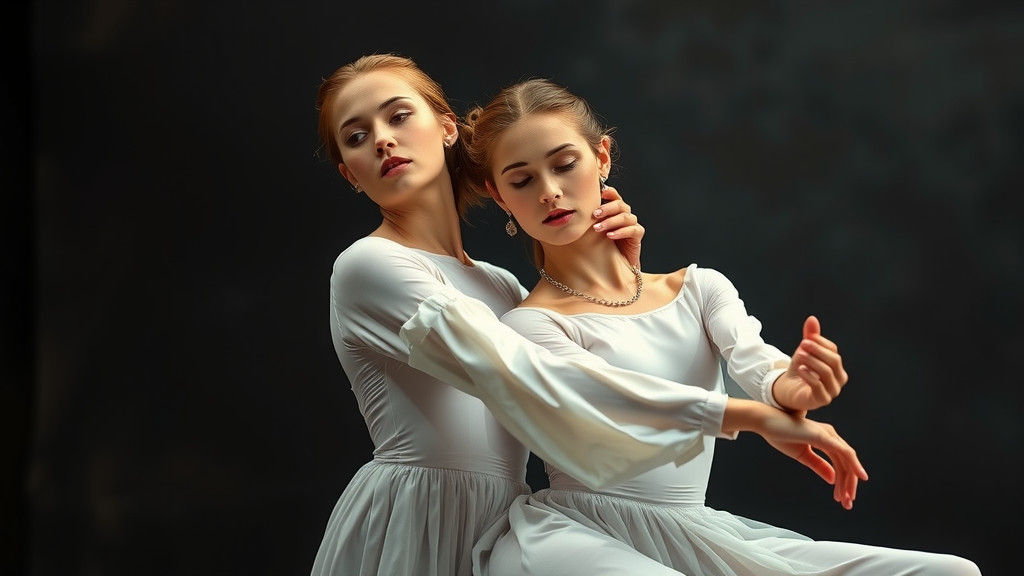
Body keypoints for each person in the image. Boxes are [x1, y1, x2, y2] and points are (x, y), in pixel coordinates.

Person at [311, 54, 863, 576]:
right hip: (417, 519)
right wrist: (746, 415)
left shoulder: (499, 285)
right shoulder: (369, 267)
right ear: (349, 174)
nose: (383, 140)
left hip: (506, 519)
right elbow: (538, 377)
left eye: (399, 115)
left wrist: (623, 275)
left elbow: (579, 383)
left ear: (447, 126)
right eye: (356, 137)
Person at [445, 77, 982, 575]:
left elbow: (754, 357)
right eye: (522, 179)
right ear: (499, 194)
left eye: (564, 164)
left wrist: (790, 387)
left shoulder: (699, 289)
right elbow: (625, 405)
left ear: (602, 157)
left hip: (690, 528)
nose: (549, 191)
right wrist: (757, 419)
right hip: (579, 537)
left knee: (953, 572)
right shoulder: (529, 324)